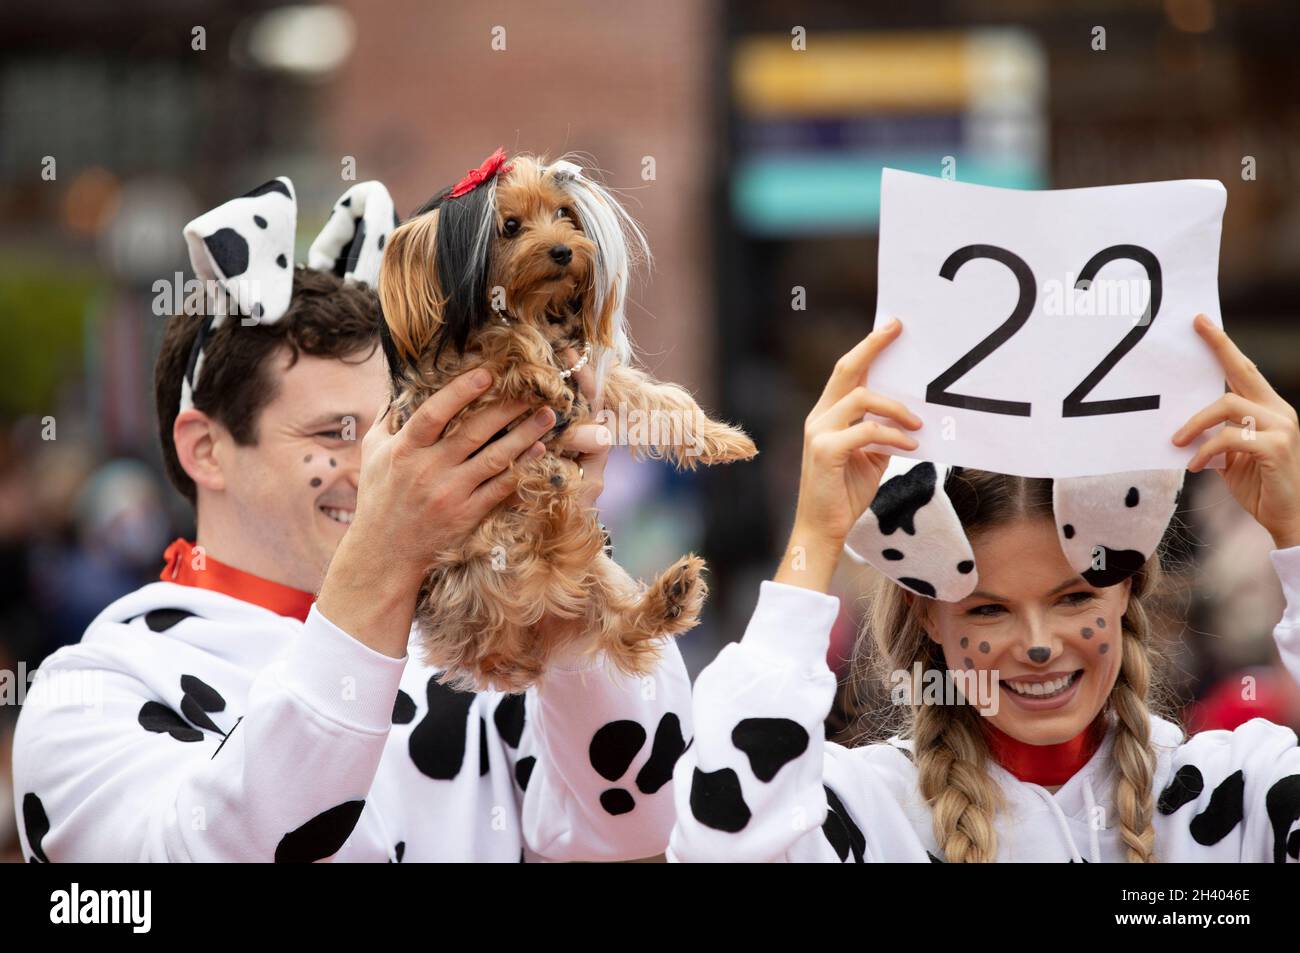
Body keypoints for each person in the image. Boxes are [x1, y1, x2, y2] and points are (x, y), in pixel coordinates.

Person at [12, 178, 691, 862]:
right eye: (334, 432)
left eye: (394, 425)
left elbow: (641, 821)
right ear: (205, 449)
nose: (381, 463)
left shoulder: (464, 646)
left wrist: (559, 547)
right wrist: (387, 553)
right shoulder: (95, 687)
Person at [669, 315, 1300, 862]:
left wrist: (1294, 529)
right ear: (928, 617)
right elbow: (720, 841)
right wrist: (816, 534)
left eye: (1074, 597)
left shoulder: (1238, 794)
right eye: (989, 610)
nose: (1037, 645)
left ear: (1126, 588)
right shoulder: (862, 810)